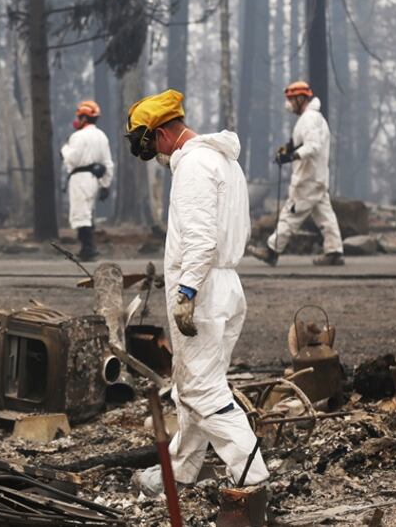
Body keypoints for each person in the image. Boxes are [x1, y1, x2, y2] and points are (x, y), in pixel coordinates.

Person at [123, 89, 268, 495]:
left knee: (201, 389)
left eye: (151, 143)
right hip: (223, 286)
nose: (155, 153)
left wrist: (186, 291)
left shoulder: (193, 165)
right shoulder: (220, 159)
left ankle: (251, 477)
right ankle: (180, 471)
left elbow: (201, 238)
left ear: (164, 133)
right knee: (195, 385)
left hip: (202, 290)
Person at [249, 81, 344, 267]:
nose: (289, 104)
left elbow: (313, 146)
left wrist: (291, 156)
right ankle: (334, 251)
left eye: (292, 100)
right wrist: (289, 148)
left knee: (291, 213)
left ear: (301, 98)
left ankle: (271, 250)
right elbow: (302, 141)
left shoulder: (310, 118)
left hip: (308, 179)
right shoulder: (311, 118)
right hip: (316, 178)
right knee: (325, 215)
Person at [60, 100, 114, 261]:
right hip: (94, 180)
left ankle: (88, 248)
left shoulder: (77, 136)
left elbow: (73, 159)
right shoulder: (101, 136)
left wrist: (64, 149)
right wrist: (105, 184)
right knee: (88, 212)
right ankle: (88, 247)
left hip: (79, 178)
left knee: (80, 214)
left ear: (84, 118)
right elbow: (108, 163)